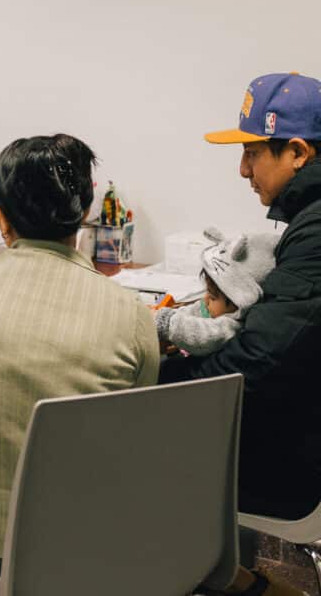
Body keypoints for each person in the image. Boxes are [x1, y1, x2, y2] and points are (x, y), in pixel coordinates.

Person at [0, 134, 159, 574]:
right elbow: (133, 425)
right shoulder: (132, 314)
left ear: (1, 219)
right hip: (67, 549)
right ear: (85, 212)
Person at [161, 72, 321, 522]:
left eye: (252, 153)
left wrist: (162, 378)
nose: (243, 170)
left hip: (295, 468)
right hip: (300, 424)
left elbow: (261, 360)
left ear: (297, 152)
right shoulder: (309, 221)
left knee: (116, 447)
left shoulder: (316, 234)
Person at [155, 227, 279, 356]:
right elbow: (193, 311)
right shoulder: (212, 308)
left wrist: (166, 323)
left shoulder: (232, 326)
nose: (206, 299)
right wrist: (165, 317)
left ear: (238, 302)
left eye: (213, 297)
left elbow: (204, 335)